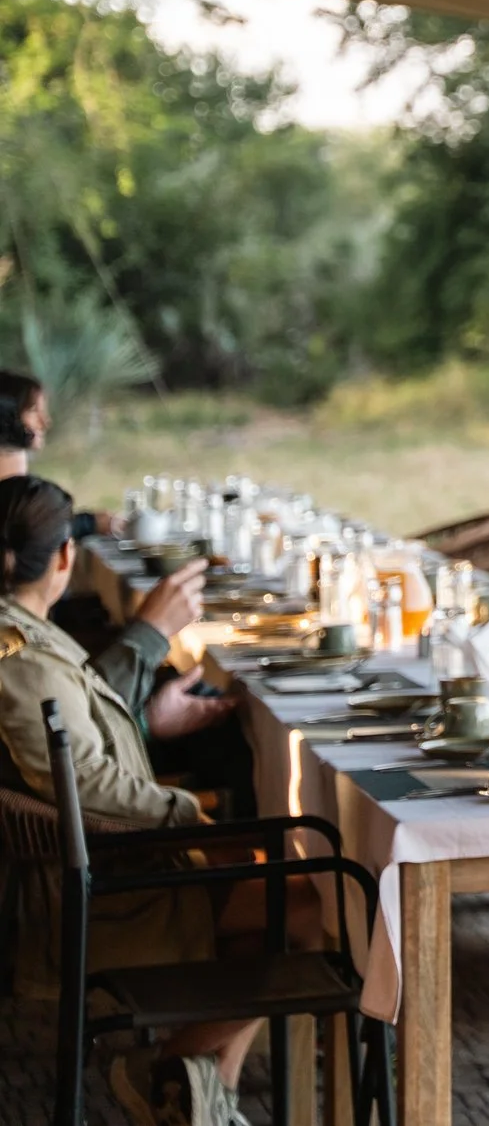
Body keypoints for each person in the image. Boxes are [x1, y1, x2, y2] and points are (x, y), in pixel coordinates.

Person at [0, 475, 256, 1126]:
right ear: (64, 557)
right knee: (321, 912)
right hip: (105, 891)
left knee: (293, 890)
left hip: (97, 869)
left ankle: (200, 1100)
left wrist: (145, 703)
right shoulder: (18, 655)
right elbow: (83, 778)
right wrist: (190, 817)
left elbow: (72, 723)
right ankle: (160, 1070)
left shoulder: (23, 636)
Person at [0, 369, 219, 730]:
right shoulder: (22, 651)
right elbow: (69, 732)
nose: (46, 421)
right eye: (34, 410)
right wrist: (147, 722)